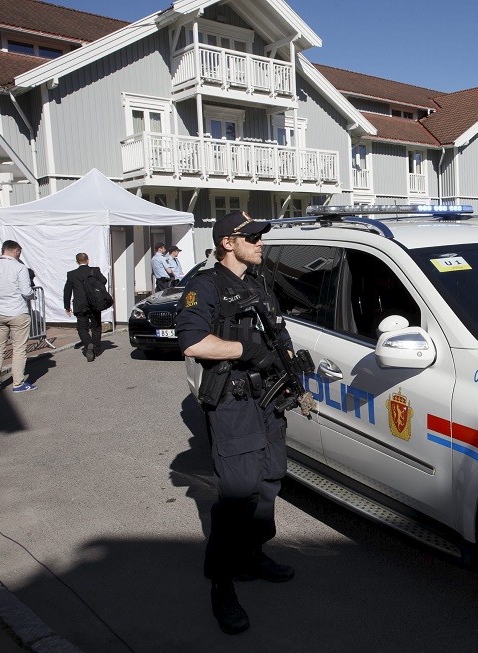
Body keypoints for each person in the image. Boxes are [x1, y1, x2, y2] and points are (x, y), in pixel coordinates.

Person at [176, 211, 294, 635]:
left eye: (261, 236)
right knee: (238, 494)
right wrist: (247, 350)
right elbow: (192, 342)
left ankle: (252, 555)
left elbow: (277, 331)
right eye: (253, 237)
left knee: (269, 480)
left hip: (267, 399)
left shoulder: (259, 282)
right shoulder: (205, 285)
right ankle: (222, 584)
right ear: (228, 243)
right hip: (233, 401)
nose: (261, 242)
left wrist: (287, 366)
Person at [0, 240, 36, 393]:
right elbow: (26, 291)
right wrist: (32, 294)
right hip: (17, 311)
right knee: (19, 349)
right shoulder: (20, 267)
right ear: (16, 251)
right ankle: (18, 383)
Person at [64, 252, 108, 362]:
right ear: (88, 260)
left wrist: (67, 306)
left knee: (81, 328)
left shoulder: (72, 274)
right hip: (95, 304)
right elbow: (104, 281)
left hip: (80, 305)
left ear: (77, 262)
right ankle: (96, 350)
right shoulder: (95, 271)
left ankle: (88, 344)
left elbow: (67, 291)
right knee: (96, 327)